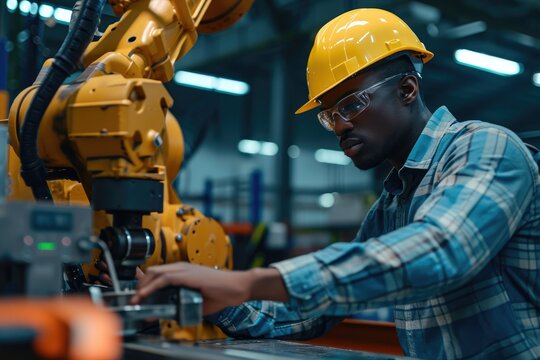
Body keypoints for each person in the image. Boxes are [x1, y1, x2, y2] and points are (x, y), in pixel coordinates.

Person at [131, 8, 540, 359]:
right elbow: (308, 311)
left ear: (407, 89)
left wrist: (245, 281)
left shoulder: (487, 146)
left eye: (351, 105)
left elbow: (441, 252)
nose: (339, 126)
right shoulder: (392, 205)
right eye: (328, 115)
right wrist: (204, 299)